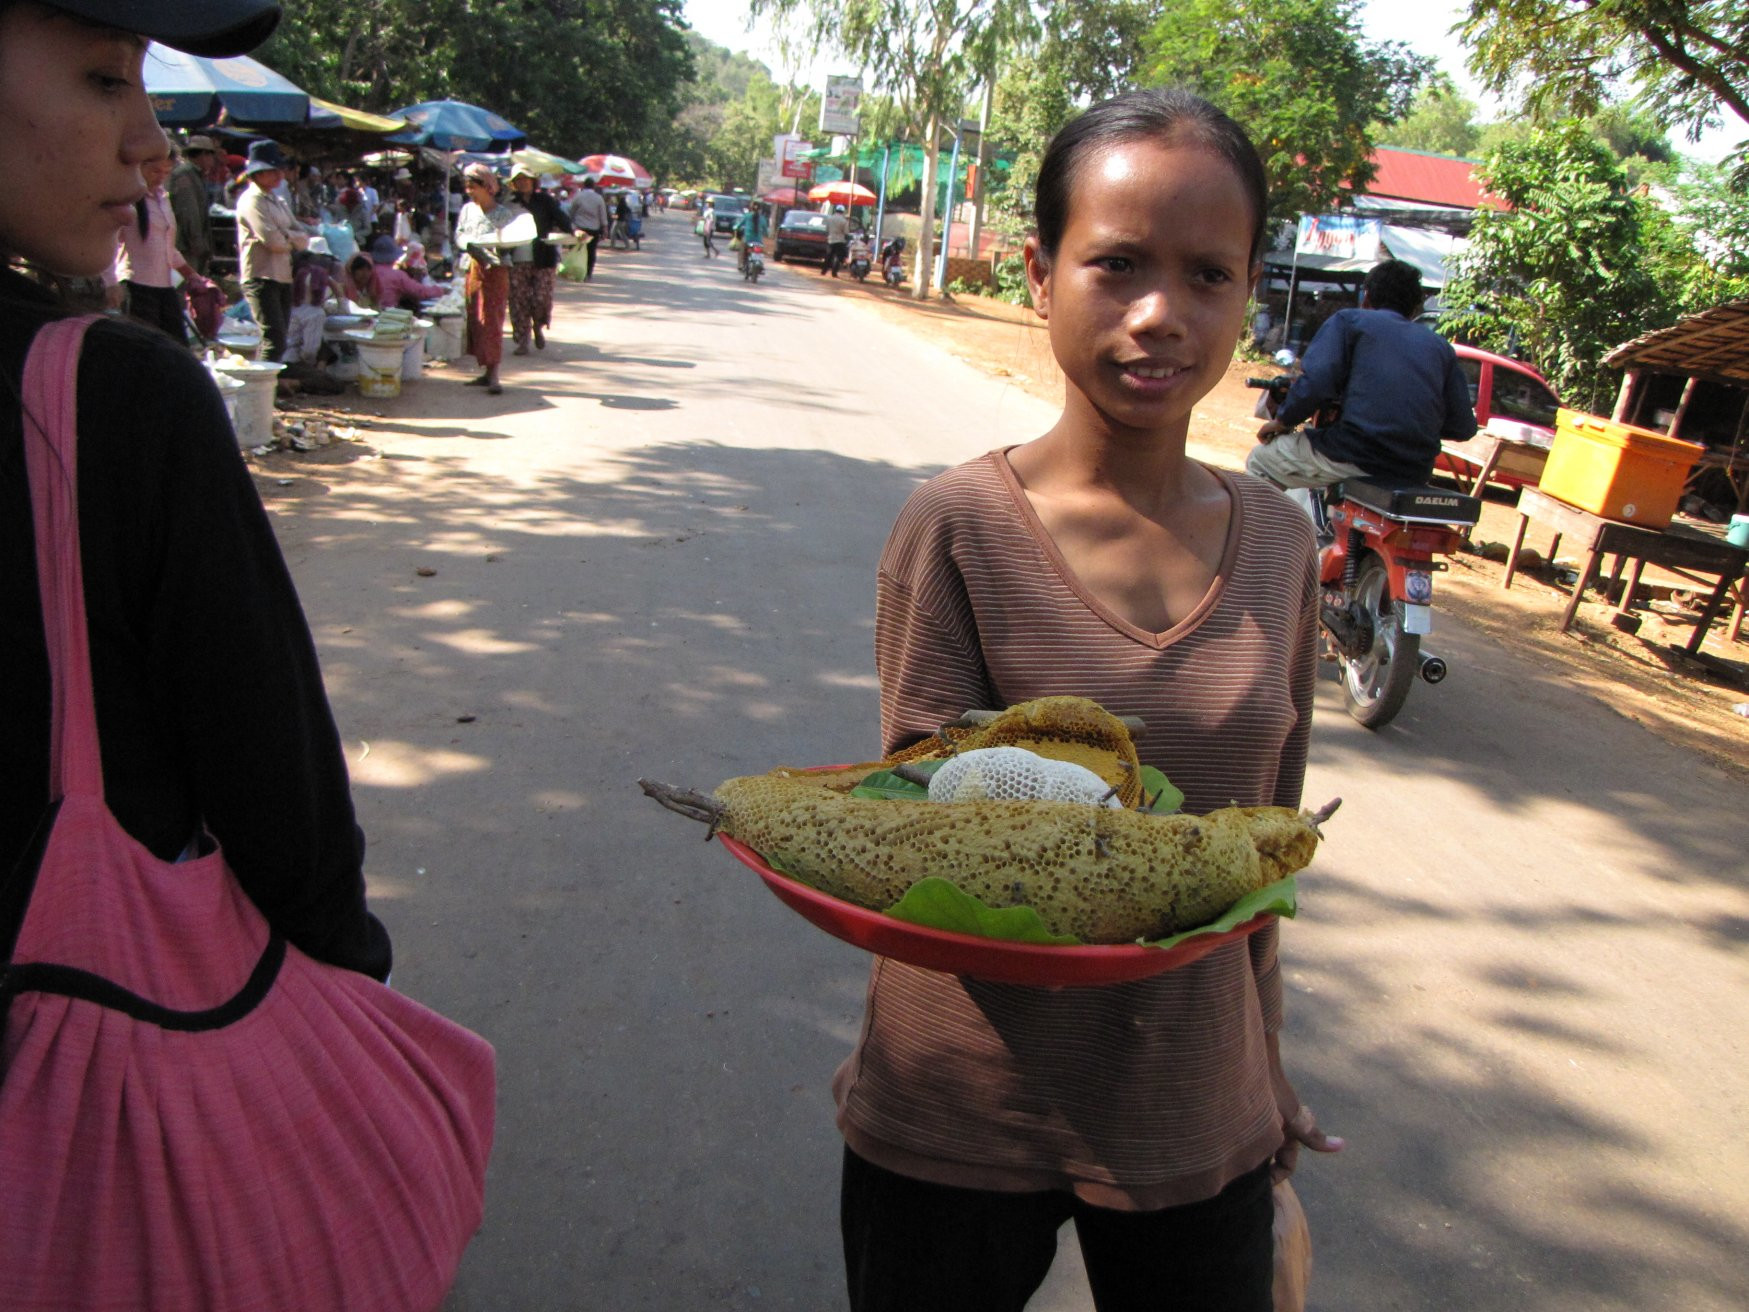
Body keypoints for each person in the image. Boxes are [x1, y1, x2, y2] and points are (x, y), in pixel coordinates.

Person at [835, 88, 1342, 1312]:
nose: (1160, 314)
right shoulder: (957, 528)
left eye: (1208, 274)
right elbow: (934, 827)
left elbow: (1261, 867)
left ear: (1247, 293)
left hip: (1191, 1113)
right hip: (958, 1104)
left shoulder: (1281, 544)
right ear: (1040, 272)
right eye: (1115, 265)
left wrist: (1266, 1078)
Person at [0, 0, 392, 1051]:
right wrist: (350, 990)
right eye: (101, 78)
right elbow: (278, 791)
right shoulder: (112, 399)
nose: (149, 142)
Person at [1249, 258, 1477, 492]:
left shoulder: (1350, 322)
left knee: (1260, 460)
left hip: (1354, 454)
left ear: (1366, 297)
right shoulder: (1440, 347)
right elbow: (1463, 427)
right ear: (1414, 308)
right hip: (1414, 471)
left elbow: (1317, 382)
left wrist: (1282, 420)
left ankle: (1274, 528)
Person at [105, 134, 211, 344]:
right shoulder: (126, 200)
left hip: (164, 287)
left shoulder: (163, 198)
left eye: (166, 172)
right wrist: (110, 283)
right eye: (155, 171)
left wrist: (191, 275)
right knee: (145, 347)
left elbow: (168, 248)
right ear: (139, 167)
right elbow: (108, 243)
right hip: (136, 286)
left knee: (177, 346)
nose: (160, 176)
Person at [234, 137, 308, 362]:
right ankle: (262, 393)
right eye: (272, 170)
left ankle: (268, 391)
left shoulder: (278, 201)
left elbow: (303, 236)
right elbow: (273, 241)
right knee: (273, 338)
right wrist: (290, 239)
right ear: (256, 174)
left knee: (280, 337)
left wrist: (288, 237)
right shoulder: (251, 201)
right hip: (261, 275)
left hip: (282, 275)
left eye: (279, 170)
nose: (279, 175)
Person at [454, 162, 514, 394]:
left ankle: (495, 374)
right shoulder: (468, 210)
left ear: (487, 187)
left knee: (493, 319)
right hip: (474, 268)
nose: (469, 191)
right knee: (476, 318)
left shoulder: (503, 214)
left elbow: (512, 243)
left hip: (497, 270)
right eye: (467, 187)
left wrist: (496, 249)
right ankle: (486, 370)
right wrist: (467, 244)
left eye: (473, 186)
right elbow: (459, 234)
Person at [508, 165, 568, 351]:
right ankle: (523, 340)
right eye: (519, 180)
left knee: (541, 298)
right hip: (517, 258)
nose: (523, 182)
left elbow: (562, 220)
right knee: (519, 300)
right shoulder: (509, 204)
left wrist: (575, 231)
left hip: (544, 257)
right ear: (514, 184)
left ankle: (538, 326)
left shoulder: (546, 201)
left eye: (526, 178)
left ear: (534, 181)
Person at [167, 133, 220, 274]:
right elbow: (189, 212)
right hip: (187, 247)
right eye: (211, 155)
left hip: (193, 244)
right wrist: (198, 243)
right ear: (203, 154)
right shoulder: (185, 175)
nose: (213, 160)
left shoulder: (196, 175)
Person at [565, 175, 607, 279]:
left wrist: (571, 226)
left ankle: (574, 270)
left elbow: (571, 212)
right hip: (593, 229)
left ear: (584, 185)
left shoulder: (578, 196)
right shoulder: (599, 198)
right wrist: (605, 229)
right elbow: (603, 215)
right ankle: (588, 272)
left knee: (576, 249)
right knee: (591, 251)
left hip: (579, 228)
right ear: (594, 186)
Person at [733, 204, 765, 276]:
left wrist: (735, 227)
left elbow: (739, 225)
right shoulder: (762, 218)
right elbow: (766, 230)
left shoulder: (747, 216)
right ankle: (760, 264)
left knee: (742, 250)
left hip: (747, 239)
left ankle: (741, 265)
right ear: (760, 210)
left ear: (751, 209)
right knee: (760, 252)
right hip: (758, 241)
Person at [822, 203, 850, 277]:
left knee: (828, 256)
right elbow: (846, 232)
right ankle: (834, 273)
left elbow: (827, 230)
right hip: (840, 241)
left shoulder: (829, 219)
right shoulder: (844, 221)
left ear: (836, 210)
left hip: (831, 240)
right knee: (838, 257)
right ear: (843, 211)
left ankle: (824, 271)